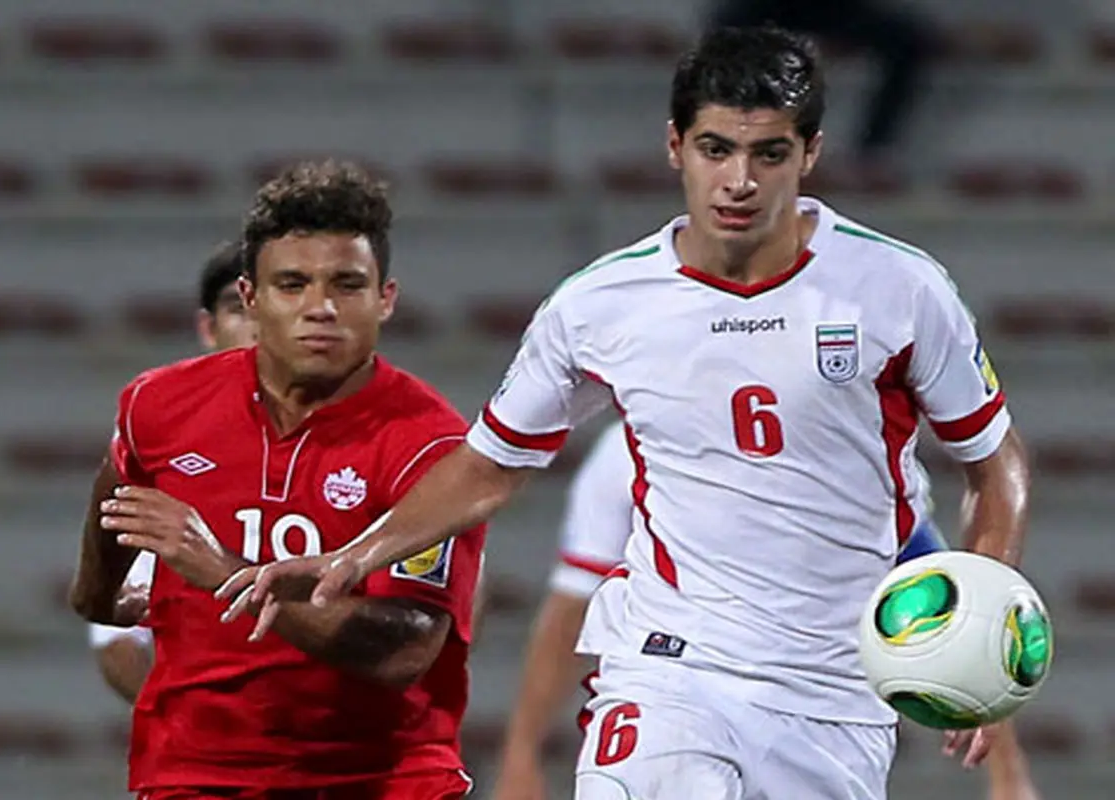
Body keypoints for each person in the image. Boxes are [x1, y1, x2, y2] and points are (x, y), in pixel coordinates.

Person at [223, 28, 1033, 799]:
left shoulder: (898, 289)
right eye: (716, 150)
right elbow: (490, 464)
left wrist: (981, 616)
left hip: (834, 692)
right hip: (670, 667)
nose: (739, 181)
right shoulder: (602, 303)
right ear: (675, 145)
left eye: (769, 153)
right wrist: (354, 556)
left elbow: (995, 465)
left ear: (810, 153)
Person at [68, 160, 483, 799]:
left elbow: (403, 651)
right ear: (251, 297)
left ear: (386, 299)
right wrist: (100, 598)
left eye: (347, 285)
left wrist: (224, 571)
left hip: (378, 778)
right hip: (197, 775)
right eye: (293, 285)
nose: (321, 308)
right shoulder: (161, 405)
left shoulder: (431, 446)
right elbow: (113, 502)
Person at [491, 422, 1042, 800]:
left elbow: (947, 609)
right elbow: (572, 603)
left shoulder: (858, 446)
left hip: (816, 713)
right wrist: (521, 753)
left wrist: (1006, 769)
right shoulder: (628, 454)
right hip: (680, 692)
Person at [88, 241, 257, 705]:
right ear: (208, 327)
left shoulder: (381, 436)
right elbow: (116, 636)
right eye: (239, 308)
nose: (259, 325)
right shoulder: (161, 434)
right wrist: (188, 722)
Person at [708, 0, 937, 177]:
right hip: (769, 10)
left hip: (837, 11)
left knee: (906, 43)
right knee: (732, 41)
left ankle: (875, 150)